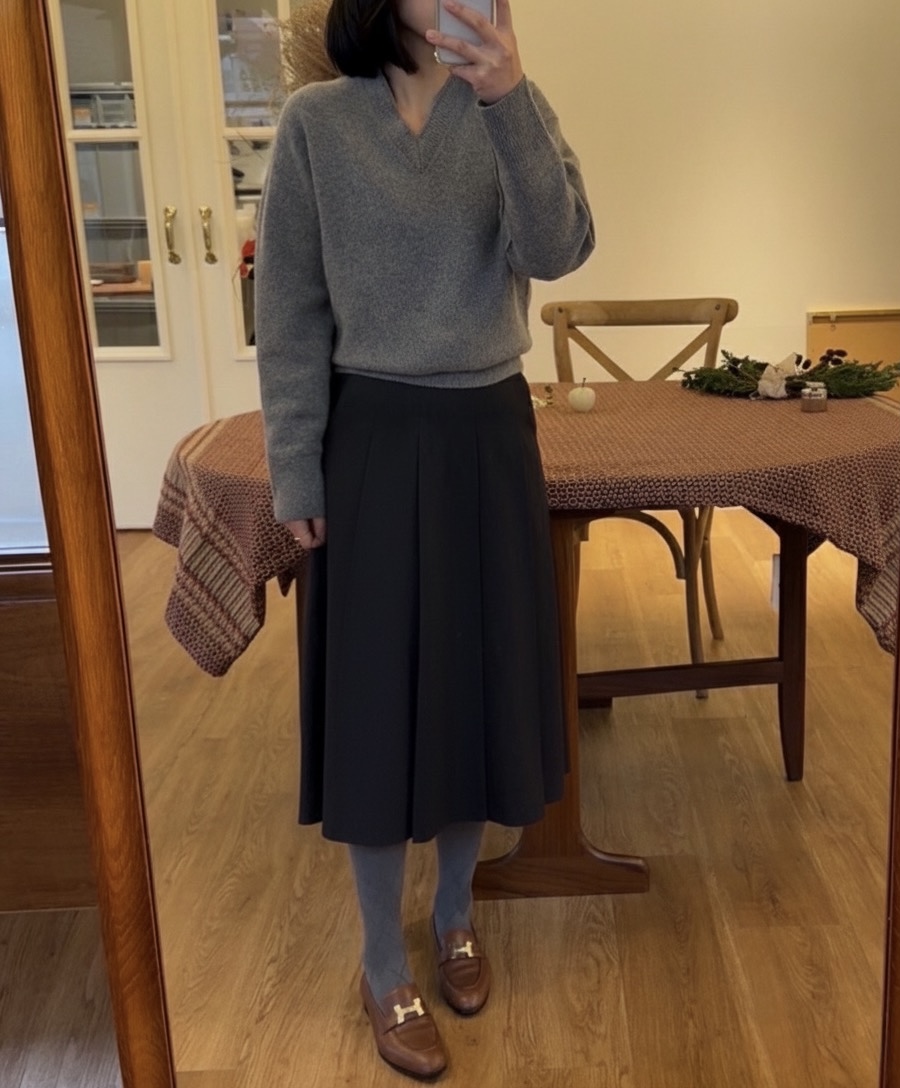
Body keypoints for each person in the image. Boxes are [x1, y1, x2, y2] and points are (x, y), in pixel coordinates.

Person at [255, 0, 594, 1077]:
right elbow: (290, 309)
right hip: (368, 436)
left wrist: (508, 100)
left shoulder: (513, 107)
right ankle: (378, 960)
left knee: (469, 692)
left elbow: (561, 248)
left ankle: (453, 915)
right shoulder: (317, 124)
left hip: (488, 435)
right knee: (373, 707)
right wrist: (295, 464)